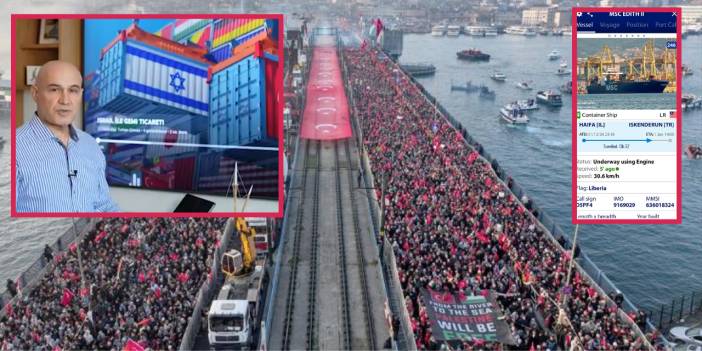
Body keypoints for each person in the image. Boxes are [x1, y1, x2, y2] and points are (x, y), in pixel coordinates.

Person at [16, 60, 119, 212]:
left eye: (73, 90)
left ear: (81, 94)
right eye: (54, 90)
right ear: (35, 93)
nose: (65, 100)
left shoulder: (91, 145)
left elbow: (104, 206)